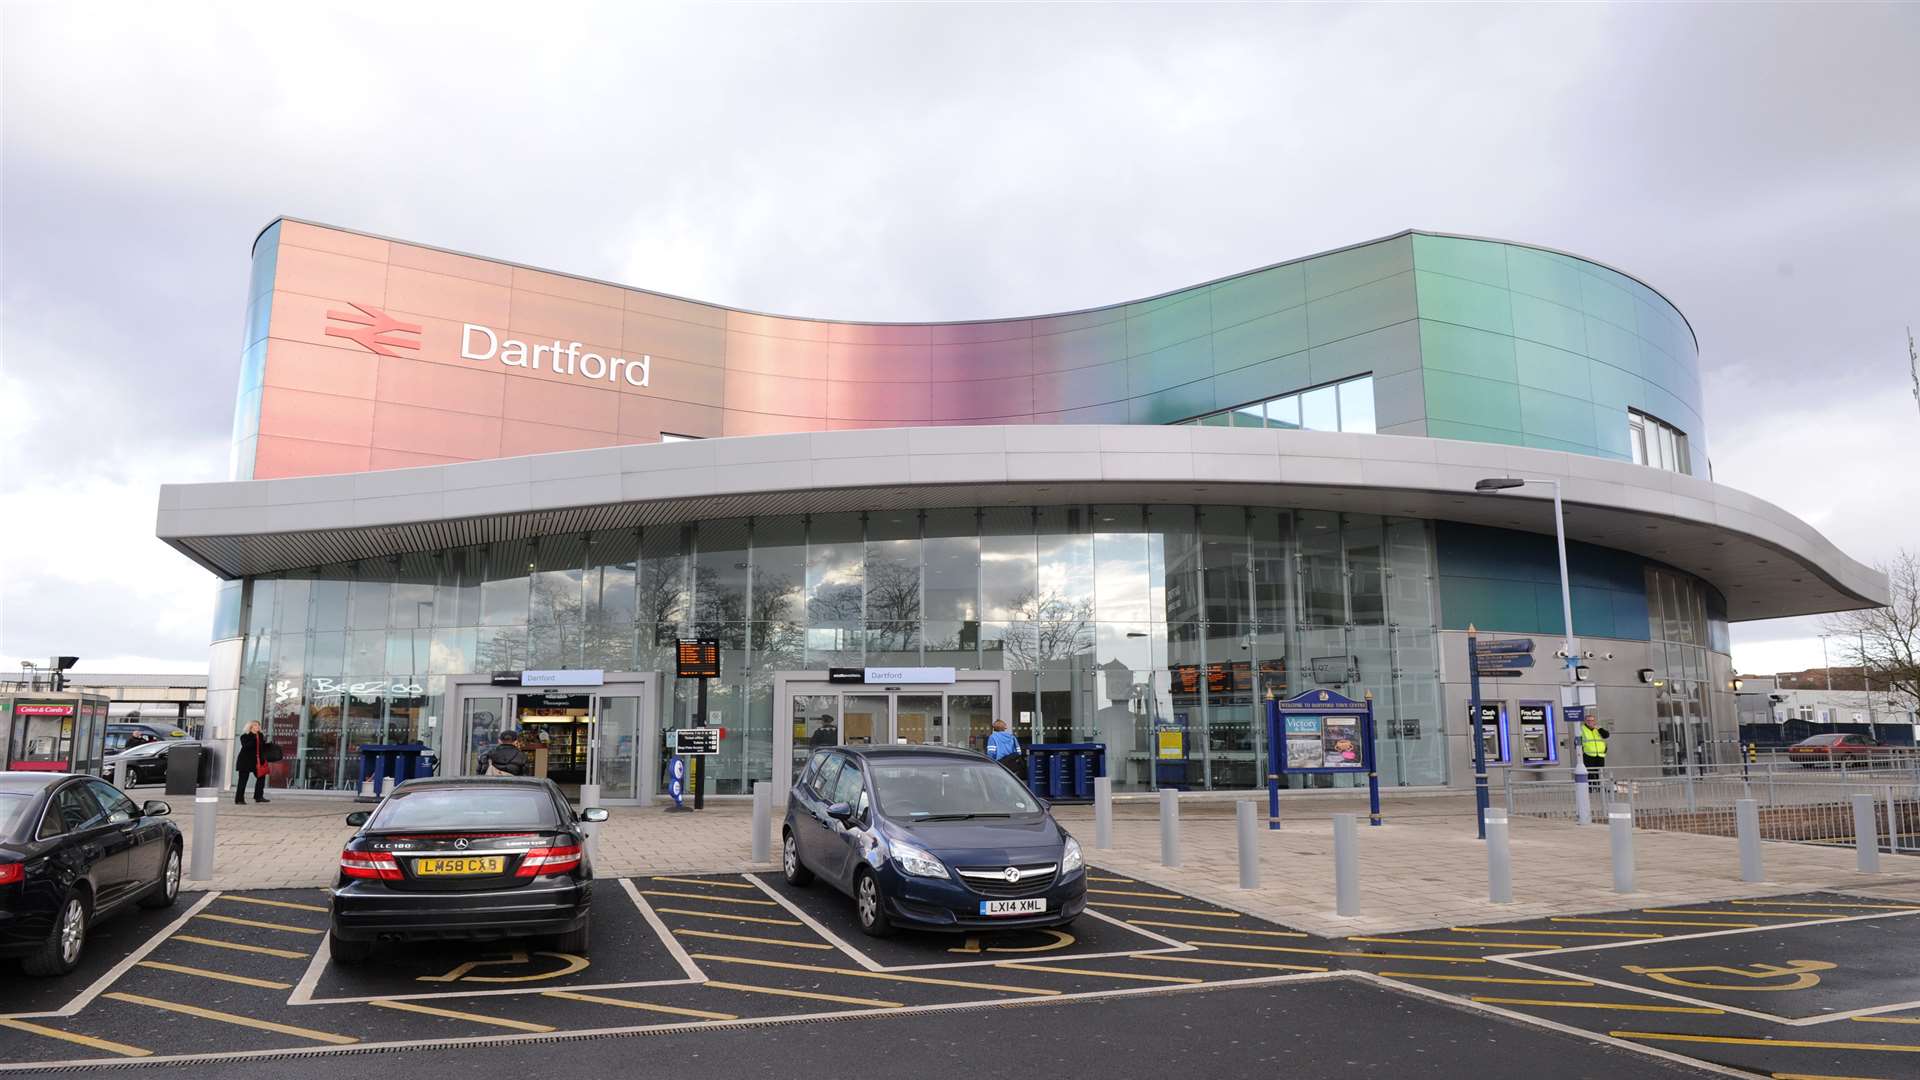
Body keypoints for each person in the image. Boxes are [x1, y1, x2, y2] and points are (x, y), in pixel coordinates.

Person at [234, 722, 270, 805]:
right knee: (243, 781)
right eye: (255, 725)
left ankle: (258, 797)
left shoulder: (260, 736)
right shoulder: (244, 736)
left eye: (258, 725)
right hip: (245, 761)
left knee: (261, 777)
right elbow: (246, 746)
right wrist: (254, 737)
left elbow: (262, 748)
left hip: (256, 762)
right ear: (250, 727)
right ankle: (239, 799)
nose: (258, 726)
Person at [1579, 713, 1610, 807]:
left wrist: (1599, 728)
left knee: (1600, 771)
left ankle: (1600, 787)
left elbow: (1606, 735)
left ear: (1595, 721)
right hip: (1588, 754)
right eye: (1588, 720)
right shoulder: (1582, 729)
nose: (1590, 722)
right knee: (1590, 771)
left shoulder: (1598, 729)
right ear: (1585, 721)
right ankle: (1591, 787)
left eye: (1592, 720)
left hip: (1600, 754)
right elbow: (1578, 741)